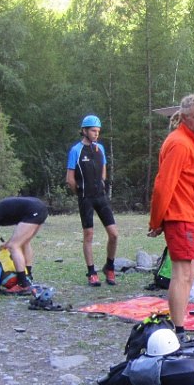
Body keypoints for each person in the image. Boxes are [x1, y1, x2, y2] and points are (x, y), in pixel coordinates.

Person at [148, 93, 194, 340]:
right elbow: (163, 185)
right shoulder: (180, 143)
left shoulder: (191, 142)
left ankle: (178, 323)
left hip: (192, 216)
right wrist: (156, 221)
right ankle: (179, 330)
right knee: (182, 274)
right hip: (182, 217)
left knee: (191, 273)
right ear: (184, 118)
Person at [66, 114, 119, 287]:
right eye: (93, 131)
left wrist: (102, 182)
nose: (96, 134)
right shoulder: (76, 151)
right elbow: (70, 179)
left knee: (114, 234)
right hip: (85, 198)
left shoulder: (100, 149)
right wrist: (80, 193)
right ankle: (91, 272)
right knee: (88, 235)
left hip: (100, 196)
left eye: (98, 131)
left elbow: (103, 168)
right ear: (84, 131)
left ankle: (109, 266)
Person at [0, 197, 48, 294]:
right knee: (24, 242)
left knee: (13, 246)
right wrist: (7, 243)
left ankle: (23, 284)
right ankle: (27, 277)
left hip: (33, 211)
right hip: (41, 208)